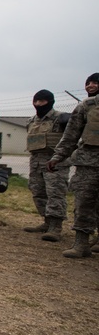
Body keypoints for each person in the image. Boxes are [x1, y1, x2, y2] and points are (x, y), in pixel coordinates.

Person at [47, 73, 99, 258]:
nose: (91, 86)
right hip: (88, 163)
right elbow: (71, 135)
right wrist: (58, 156)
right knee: (84, 202)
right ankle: (81, 243)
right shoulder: (87, 107)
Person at [23, 90, 70, 241]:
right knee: (38, 192)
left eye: (42, 101)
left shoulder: (61, 119)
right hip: (36, 160)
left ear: (50, 102)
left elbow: (70, 139)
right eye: (36, 101)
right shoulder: (31, 121)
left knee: (55, 193)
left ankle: (55, 227)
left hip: (55, 161)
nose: (38, 104)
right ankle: (47, 221)